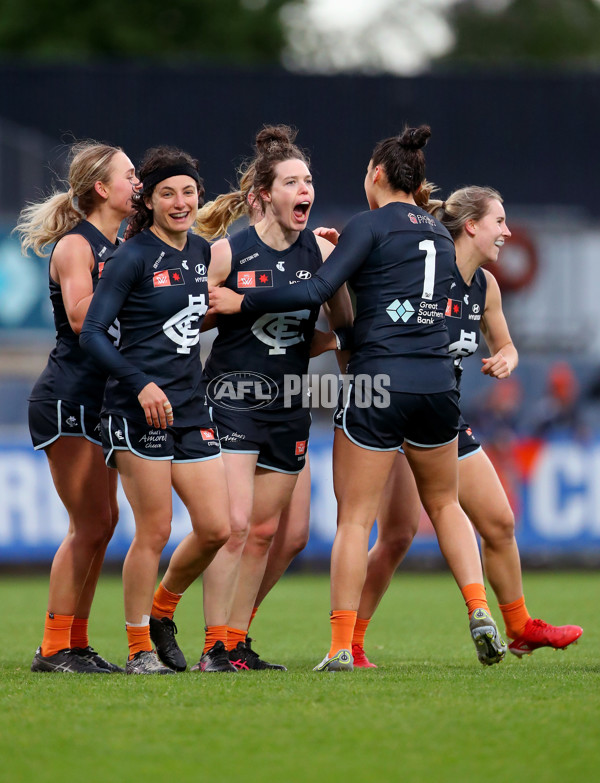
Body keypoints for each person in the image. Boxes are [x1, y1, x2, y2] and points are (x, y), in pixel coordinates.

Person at [209, 125, 507, 670]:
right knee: (443, 505)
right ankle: (479, 607)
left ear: (376, 175)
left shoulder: (366, 225)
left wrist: (242, 300)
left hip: (379, 384)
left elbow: (319, 292)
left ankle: (343, 646)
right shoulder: (441, 236)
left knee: (354, 520)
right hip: (440, 384)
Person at [349, 186, 583, 667]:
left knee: (499, 522)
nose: (508, 231)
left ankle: (519, 626)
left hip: (440, 416)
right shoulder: (420, 272)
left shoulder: (487, 286)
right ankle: (350, 642)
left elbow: (508, 344)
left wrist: (506, 358)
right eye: (500, 220)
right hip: (392, 411)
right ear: (472, 225)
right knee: (394, 538)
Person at [151, 125, 353, 672]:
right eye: (292, 181)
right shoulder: (226, 252)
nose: (304, 189)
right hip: (231, 396)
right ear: (264, 194)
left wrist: (338, 328)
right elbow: (183, 329)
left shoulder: (324, 250)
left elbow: (331, 326)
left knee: (268, 533)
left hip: (289, 399)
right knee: (235, 526)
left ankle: (232, 641)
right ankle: (194, 629)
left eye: (308, 180)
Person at [80, 146, 231, 674]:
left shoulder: (202, 253)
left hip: (189, 406)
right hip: (136, 407)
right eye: (168, 192)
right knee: (155, 531)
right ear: (150, 199)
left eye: (188, 191)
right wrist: (141, 383)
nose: (180, 201)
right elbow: (93, 334)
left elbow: (188, 321)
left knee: (217, 527)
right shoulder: (131, 256)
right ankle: (139, 648)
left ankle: (163, 611)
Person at [15, 141, 138, 673]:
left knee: (103, 522)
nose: (138, 183)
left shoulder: (126, 242)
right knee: (87, 524)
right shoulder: (76, 246)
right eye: (129, 175)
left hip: (99, 400)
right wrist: (136, 277)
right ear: (101, 188)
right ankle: (52, 647)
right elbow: (84, 316)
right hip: (67, 398)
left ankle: (76, 643)